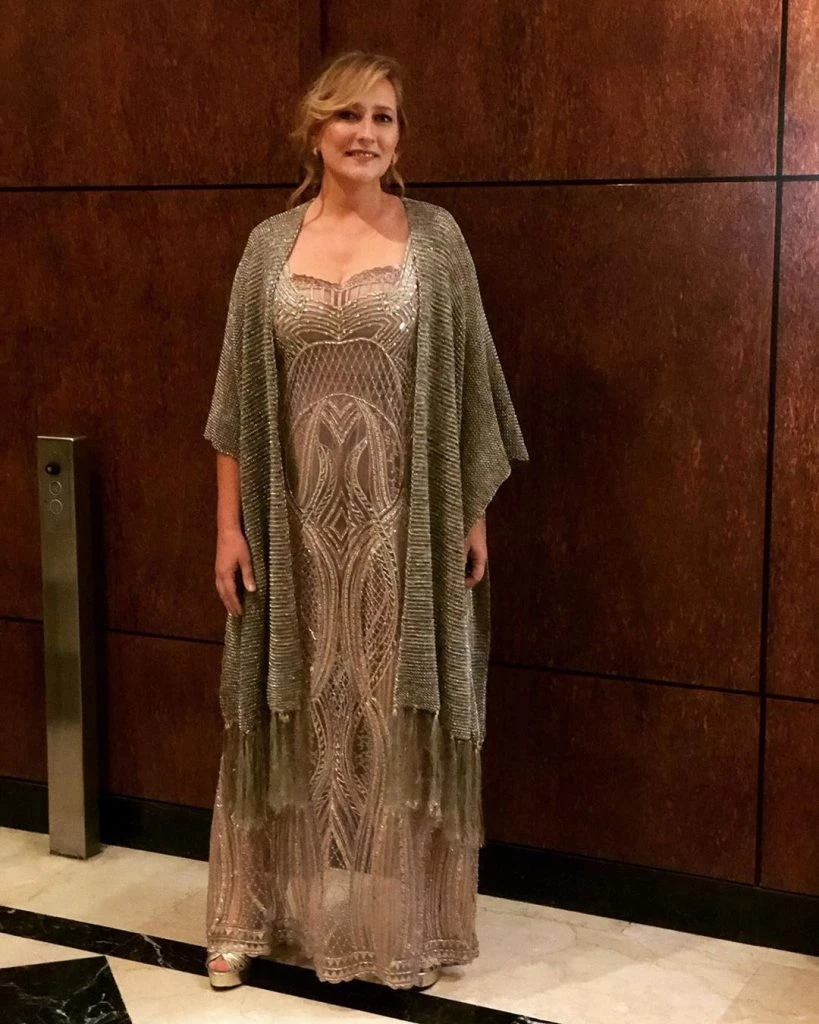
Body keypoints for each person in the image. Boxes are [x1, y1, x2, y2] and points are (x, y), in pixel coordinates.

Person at [202, 50, 529, 992]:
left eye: (382, 117)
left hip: (404, 534)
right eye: (347, 115)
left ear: (399, 136)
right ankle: (244, 915)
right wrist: (228, 529)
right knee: (275, 707)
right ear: (314, 131)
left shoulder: (437, 240)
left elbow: (470, 389)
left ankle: (403, 928)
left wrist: (470, 515)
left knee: (399, 714)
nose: (365, 133)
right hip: (293, 533)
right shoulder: (268, 246)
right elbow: (233, 404)